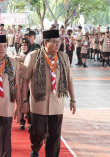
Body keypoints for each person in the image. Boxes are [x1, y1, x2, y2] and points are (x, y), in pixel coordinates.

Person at [21, 29, 76, 157]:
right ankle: (35, 148)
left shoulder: (63, 57)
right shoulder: (33, 57)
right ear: (45, 43)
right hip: (38, 103)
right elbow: (25, 80)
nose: (58, 45)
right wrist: (24, 101)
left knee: (55, 136)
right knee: (38, 133)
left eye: (59, 42)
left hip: (57, 103)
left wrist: (73, 100)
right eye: (54, 42)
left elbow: (69, 80)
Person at [15, 37, 31, 130]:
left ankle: (30, 121)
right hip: (20, 84)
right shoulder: (17, 57)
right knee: (20, 101)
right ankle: (21, 121)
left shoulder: (31, 57)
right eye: (22, 45)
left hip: (29, 84)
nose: (23, 47)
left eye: (25, 45)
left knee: (29, 102)